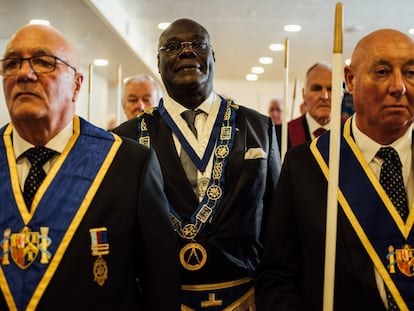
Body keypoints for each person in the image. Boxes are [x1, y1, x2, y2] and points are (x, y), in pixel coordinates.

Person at [0, 24, 180, 310]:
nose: (24, 73)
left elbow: (160, 284)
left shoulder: (128, 163)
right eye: (11, 63)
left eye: (44, 62)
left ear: (76, 84)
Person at [113, 18, 281, 310]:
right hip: (163, 300)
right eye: (173, 47)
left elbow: (277, 225)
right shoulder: (125, 139)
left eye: (199, 45)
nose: (187, 52)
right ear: (159, 61)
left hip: (247, 298)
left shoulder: (258, 127)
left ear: (213, 56)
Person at [254, 28, 414, 310]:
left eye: (411, 72)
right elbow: (277, 278)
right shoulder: (305, 166)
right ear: (350, 80)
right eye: (381, 72)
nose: (398, 86)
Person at [285, 62, 332, 148]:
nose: (324, 96)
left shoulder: (353, 133)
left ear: (342, 94)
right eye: (316, 89)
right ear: (304, 94)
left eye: (331, 89)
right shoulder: (283, 134)